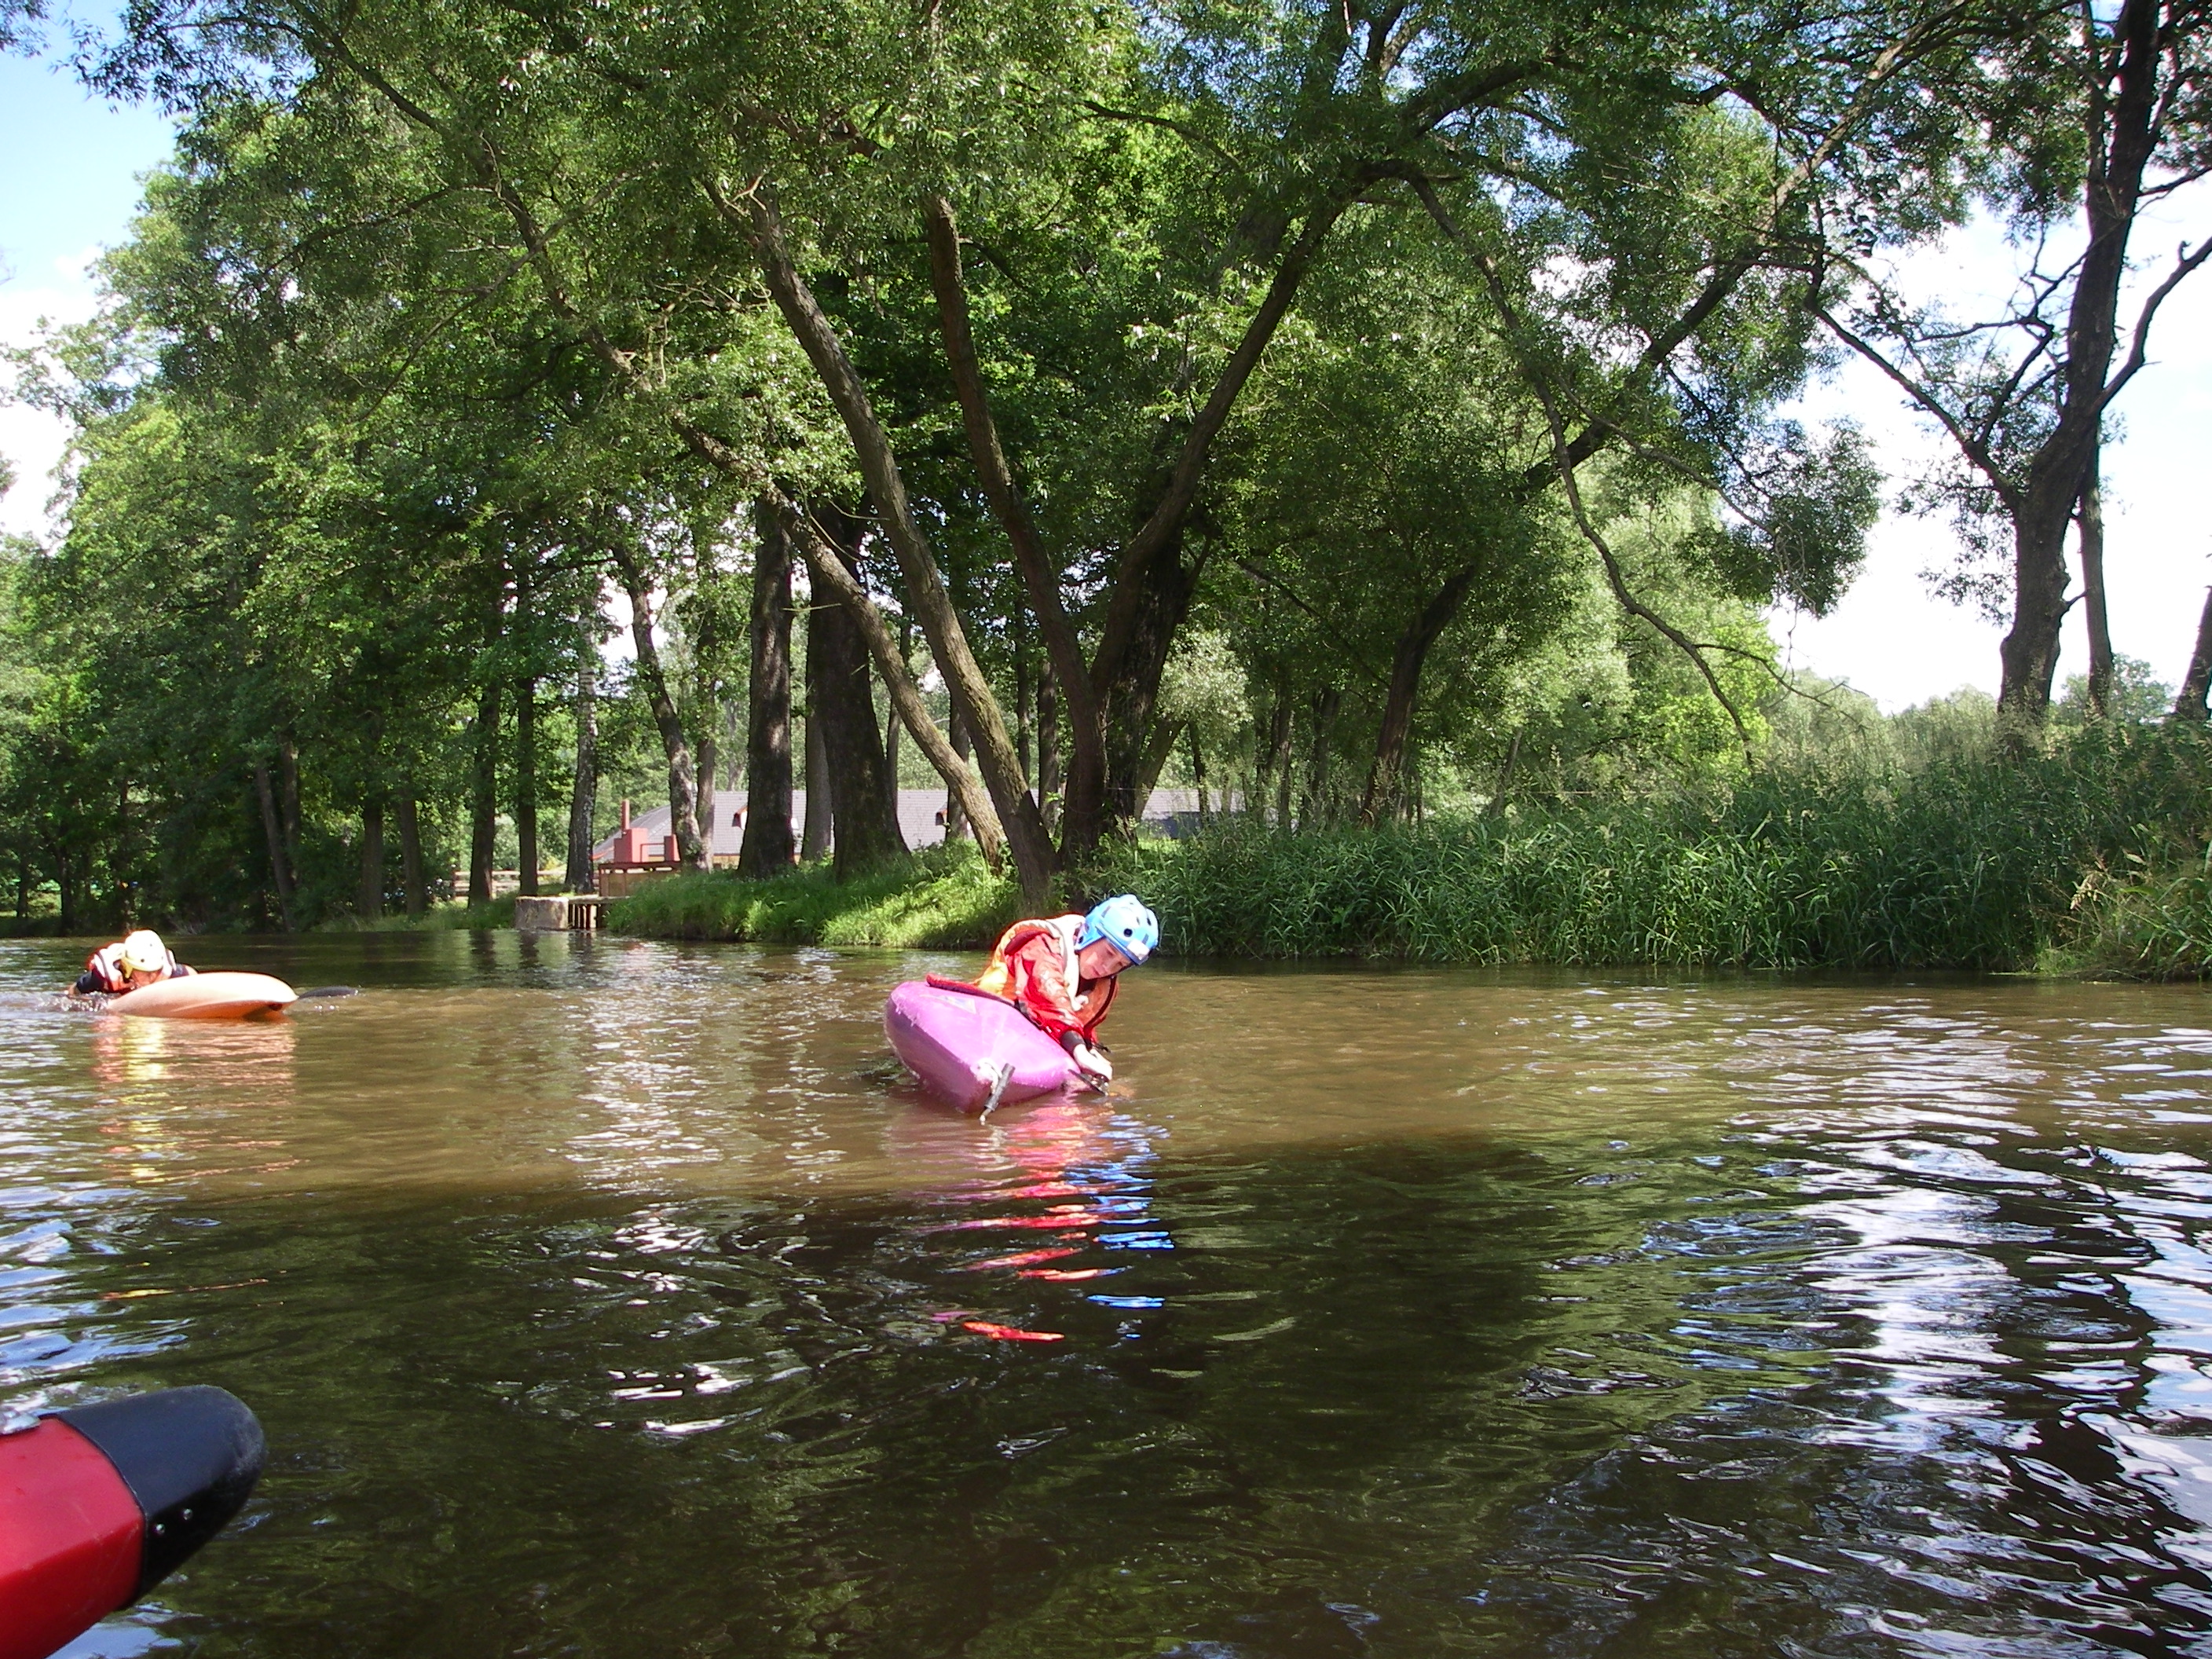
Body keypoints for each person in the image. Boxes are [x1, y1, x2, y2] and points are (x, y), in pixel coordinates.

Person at [974, 894, 1159, 1085]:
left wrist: (1089, 1048)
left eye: (1120, 964)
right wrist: (1078, 1050)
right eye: (1108, 953)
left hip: (1037, 1039)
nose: (1107, 967)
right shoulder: (1041, 945)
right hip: (989, 1020)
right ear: (1092, 934)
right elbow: (1047, 993)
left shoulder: (1104, 984)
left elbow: (1082, 1023)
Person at [73, 930, 196, 996]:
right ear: (128, 969)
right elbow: (72, 993)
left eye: (156, 971)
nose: (151, 978)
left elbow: (196, 982)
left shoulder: (177, 974)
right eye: (144, 973)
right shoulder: (102, 979)